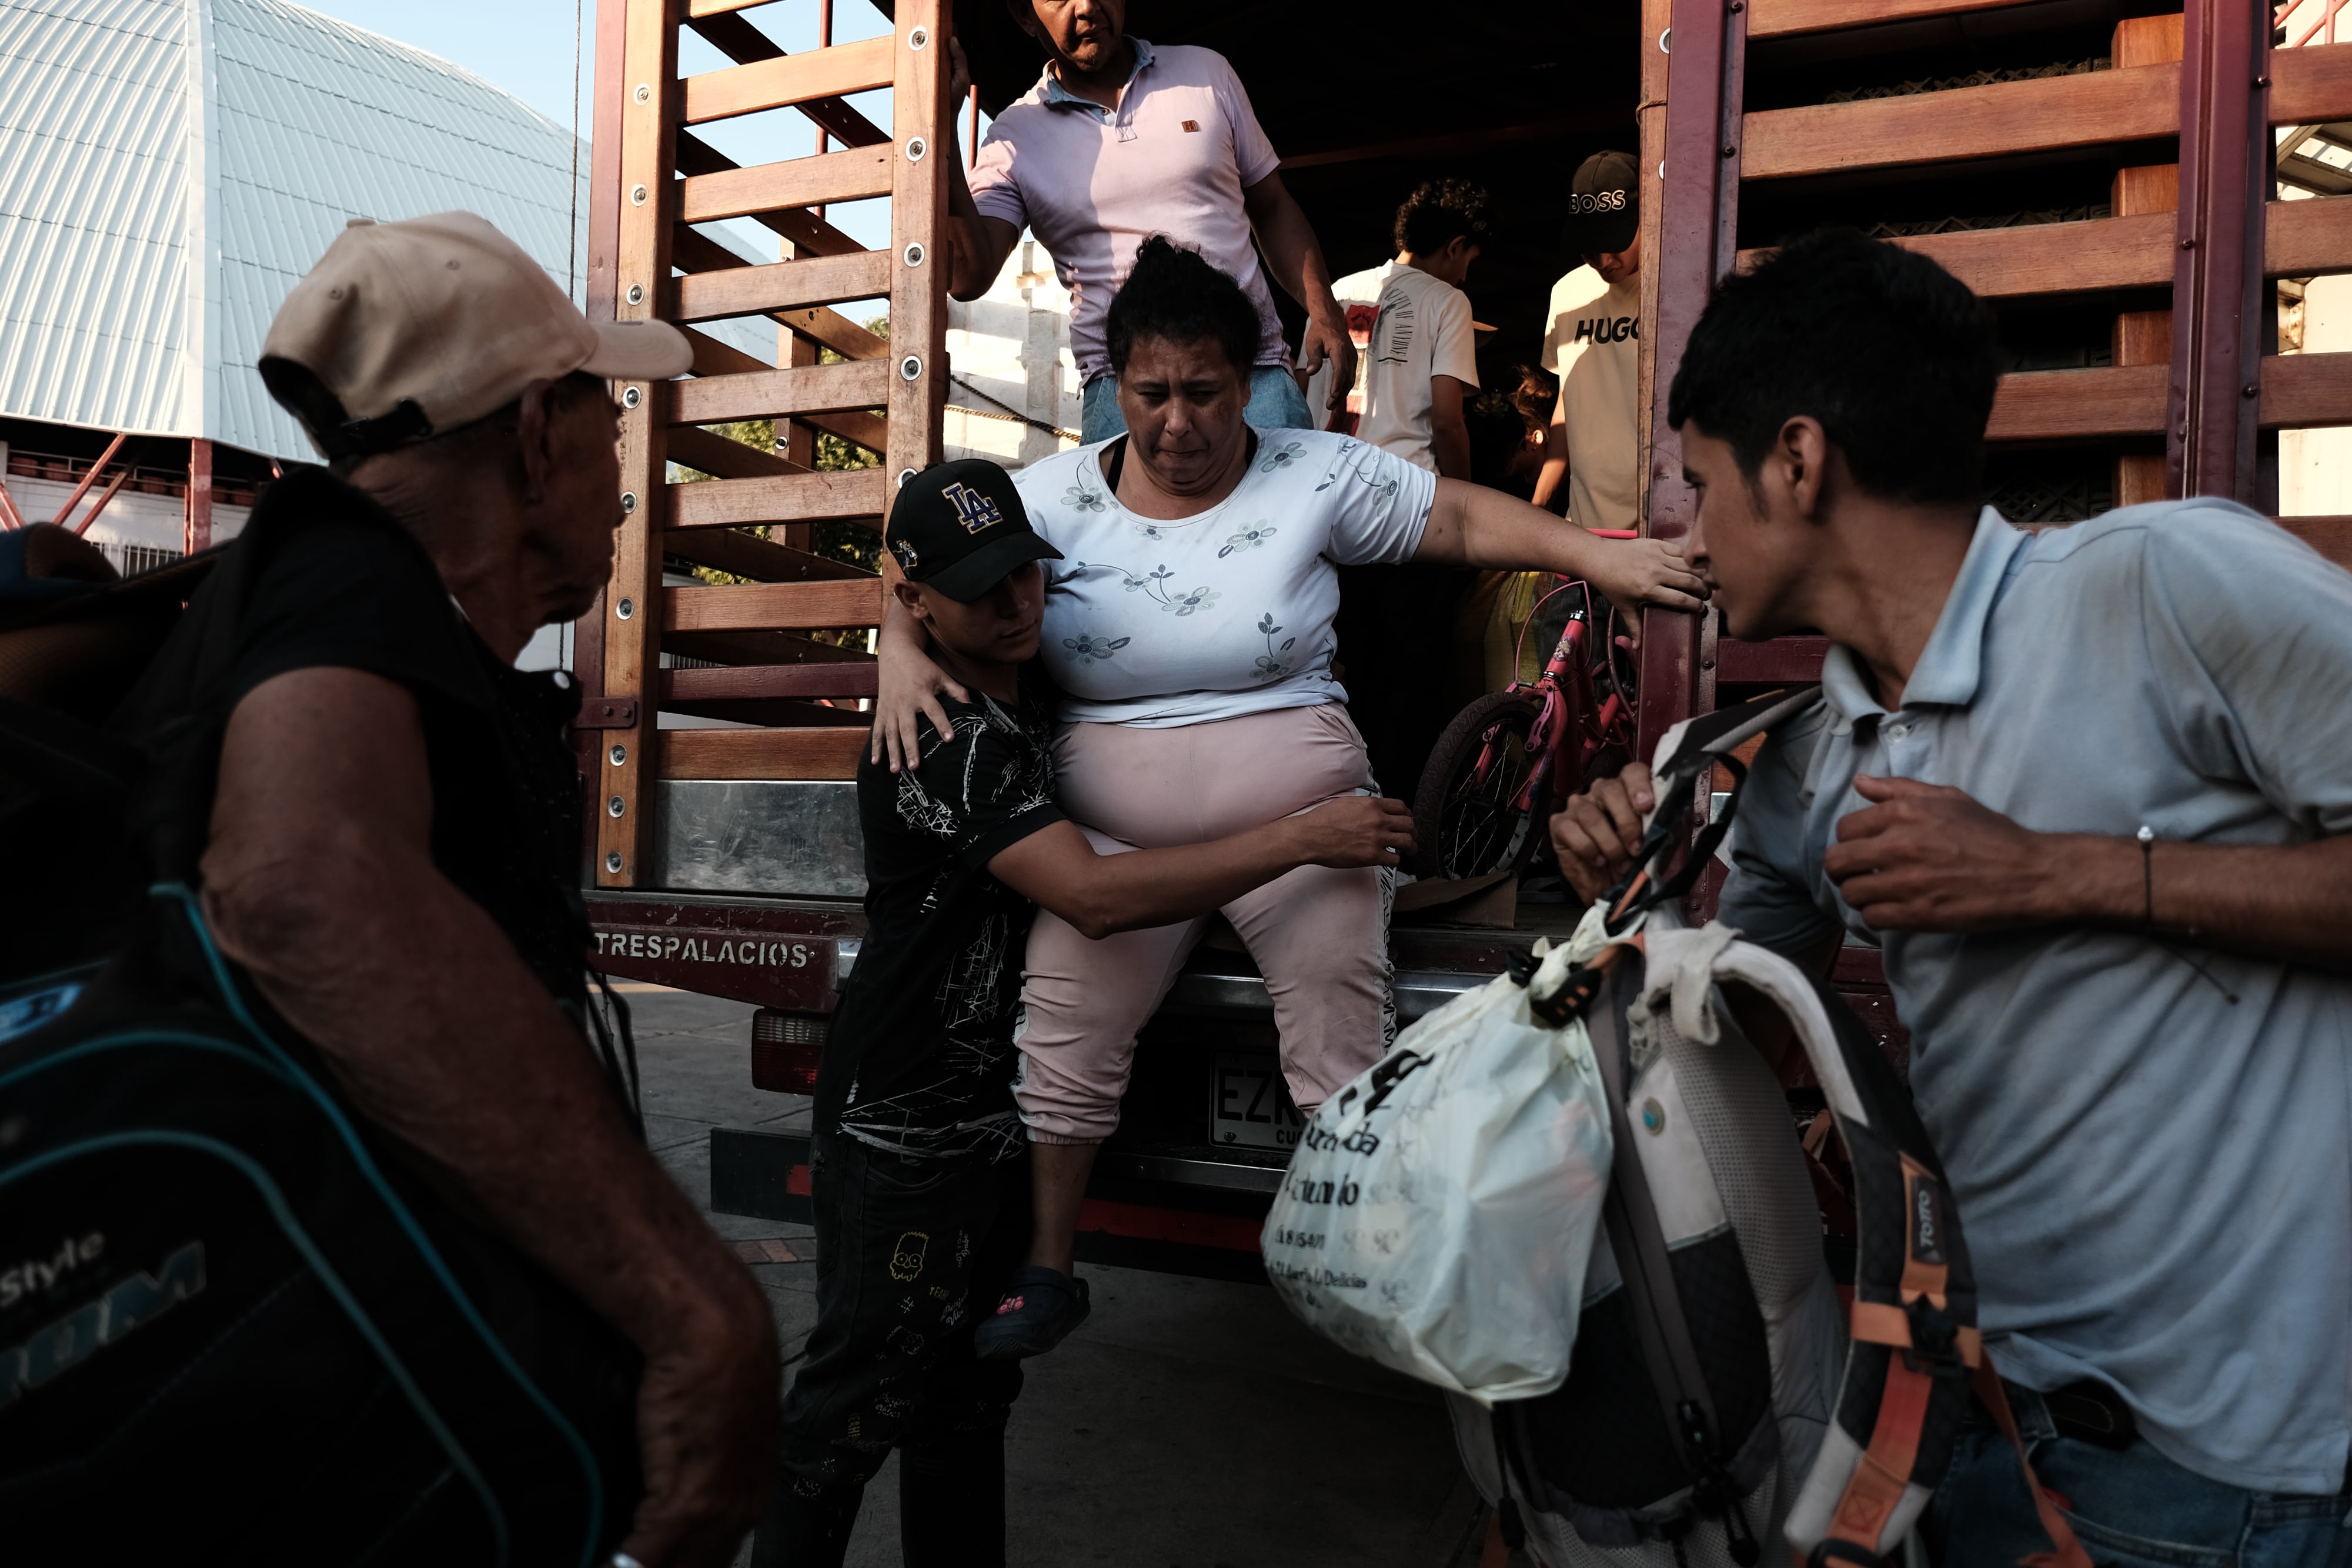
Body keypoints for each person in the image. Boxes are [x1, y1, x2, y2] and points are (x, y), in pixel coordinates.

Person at [1553, 228, 2352, 1567]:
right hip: (1965, 1421)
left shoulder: (2162, 589)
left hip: (2223, 1479)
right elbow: (1728, 1055)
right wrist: (1627, 915)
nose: (1687, 537)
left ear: (1797, 463)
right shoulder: (1801, 760)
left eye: (1698, 485)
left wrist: (2058, 870)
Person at [873, 238, 1708, 1355]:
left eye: (1206, 393)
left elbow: (1456, 519)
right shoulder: (1049, 497)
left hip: (1316, 818)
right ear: (1115, 384)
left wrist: (1601, 558)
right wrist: (893, 647)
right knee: (1064, 1032)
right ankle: (1050, 1265)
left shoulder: (1314, 469)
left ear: (1250, 378)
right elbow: (908, 549)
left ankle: (1357, 1259)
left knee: (1337, 1034)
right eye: (1152, 393)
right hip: (1118, 841)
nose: (1178, 423)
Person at [113, 213, 779, 1566]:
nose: (625, 477)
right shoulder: (347, 577)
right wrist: (696, 1312)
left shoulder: (358, 611)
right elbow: (304, 884)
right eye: (612, 423)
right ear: (540, 432)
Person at [757, 459, 1415, 1564]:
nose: (1018, 606)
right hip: (907, 1124)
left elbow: (926, 588)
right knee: (848, 1410)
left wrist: (898, 635)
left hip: (995, 1112)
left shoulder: (1025, 682)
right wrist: (1304, 835)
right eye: (981, 592)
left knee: (970, 1399)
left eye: (1026, 575)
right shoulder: (946, 740)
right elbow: (1096, 898)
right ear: (924, 601)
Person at [944, 0, 1355, 441]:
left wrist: (1324, 310)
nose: (1086, 7)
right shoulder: (1014, 137)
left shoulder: (1206, 72)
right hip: (1123, 396)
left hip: (1254, 379)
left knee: (1293, 511)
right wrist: (943, 125)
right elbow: (968, 275)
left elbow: (1272, 206)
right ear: (1025, 16)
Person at [1309, 178, 1488, 477]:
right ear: (1455, 247)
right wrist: (1464, 499)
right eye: (1470, 261)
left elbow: (1302, 392)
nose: (1464, 276)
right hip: (1402, 487)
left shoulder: (1334, 294)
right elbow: (1447, 422)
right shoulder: (1448, 301)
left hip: (1321, 481)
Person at [1532, 150, 1643, 533]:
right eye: (1589, 246)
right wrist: (1540, 504)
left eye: (1615, 240)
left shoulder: (1680, 288)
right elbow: (1571, 394)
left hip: (1665, 528)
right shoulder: (1567, 293)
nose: (1604, 259)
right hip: (1585, 532)